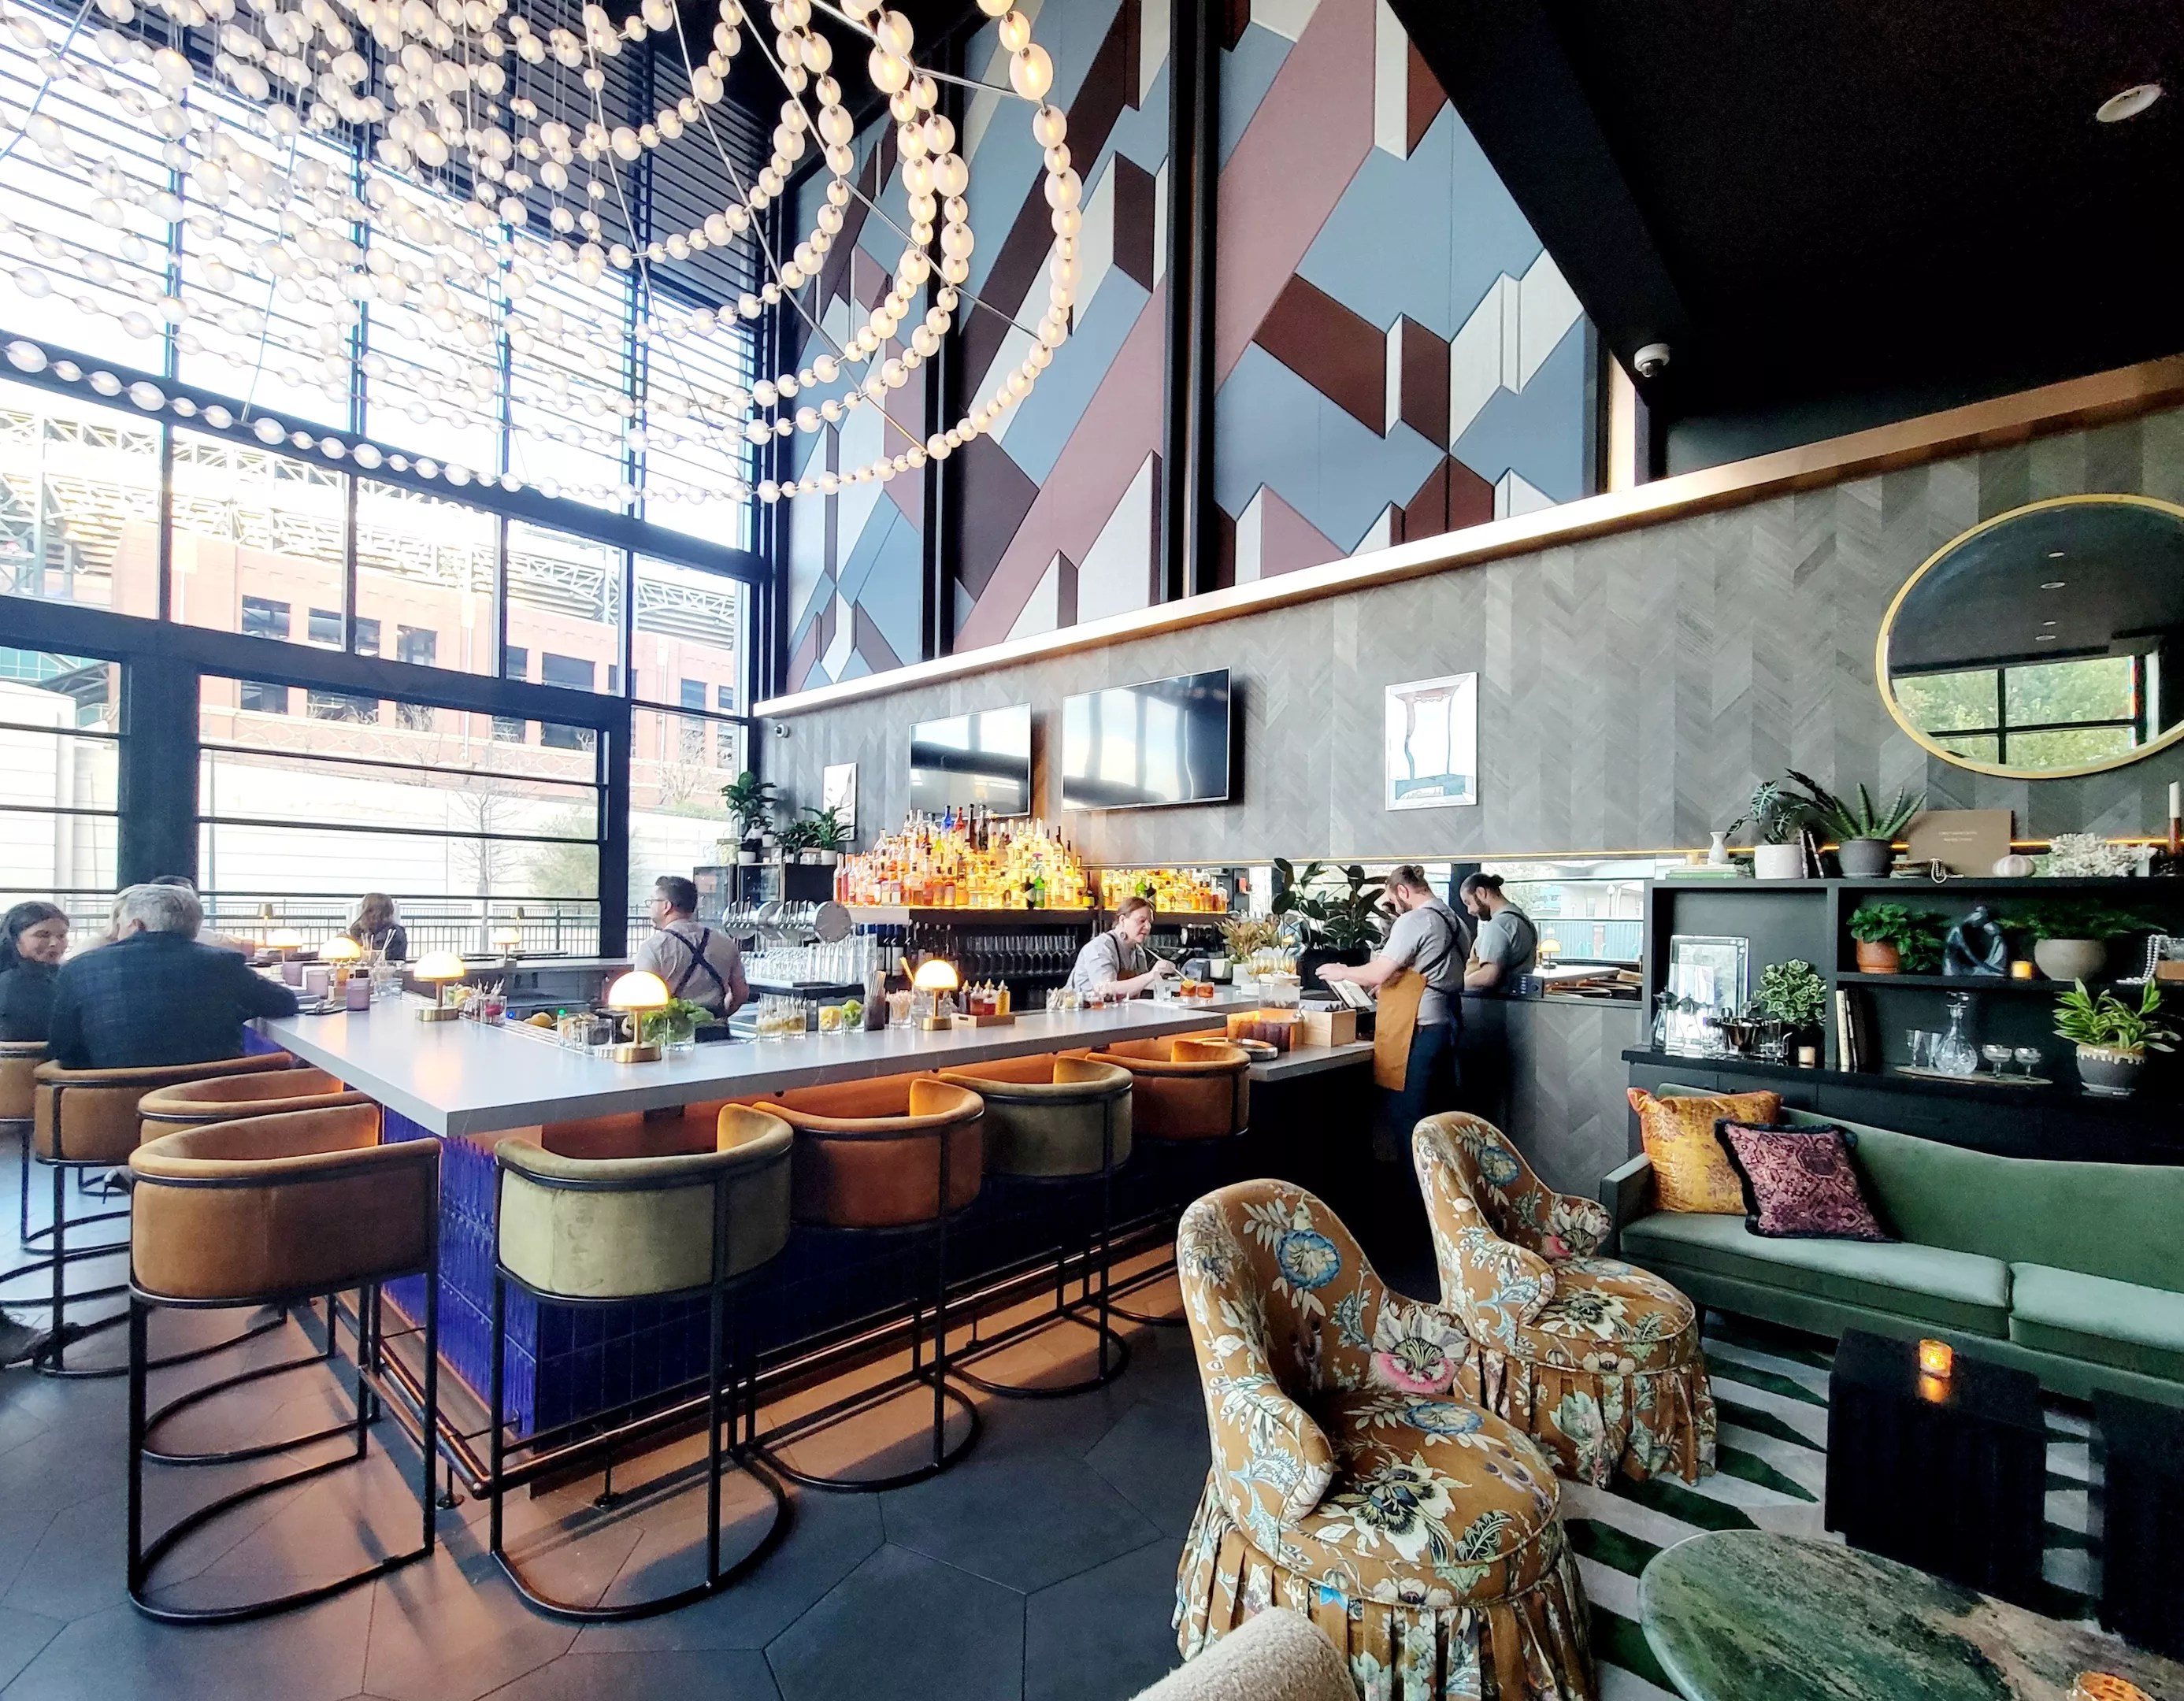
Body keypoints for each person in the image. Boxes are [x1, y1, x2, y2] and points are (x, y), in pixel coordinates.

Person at [1318, 865, 1470, 1272]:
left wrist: (1341, 971)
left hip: (1416, 1034)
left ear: (1402, 891)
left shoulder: (1416, 919)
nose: (1391, 907)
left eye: (1391, 899)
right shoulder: (1456, 920)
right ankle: (1444, 1226)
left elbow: (1380, 972)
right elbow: (1418, 971)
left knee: (1408, 1131)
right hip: (1446, 1031)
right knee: (1435, 1130)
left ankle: (1412, 1234)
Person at [45, 884, 298, 1070]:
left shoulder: (78, 968)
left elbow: (64, 1049)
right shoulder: (222, 962)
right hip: (206, 1102)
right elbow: (285, 1002)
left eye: (121, 923)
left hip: (111, 1103)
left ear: (137, 925)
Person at [632, 875, 748, 1017]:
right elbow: (741, 993)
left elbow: (644, 1000)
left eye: (652, 901)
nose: (650, 907)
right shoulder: (725, 943)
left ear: (666, 906)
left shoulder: (652, 948)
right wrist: (720, 1014)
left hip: (670, 1032)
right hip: (715, 1030)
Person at [1069, 895, 1177, 1000]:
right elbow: (1106, 990)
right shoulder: (1100, 947)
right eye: (1142, 921)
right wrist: (1151, 975)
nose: (1148, 927)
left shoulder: (1138, 952)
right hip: (1082, 1013)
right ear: (1122, 920)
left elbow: (1142, 987)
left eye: (1150, 922)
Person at [0, 900, 69, 1042]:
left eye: (61, 936)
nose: (54, 943)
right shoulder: (13, 983)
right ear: (15, 939)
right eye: (43, 935)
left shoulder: (61, 974)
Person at [1461, 873, 1538, 990]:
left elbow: (1488, 976)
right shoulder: (1524, 921)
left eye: (1468, 903)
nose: (1470, 911)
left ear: (1481, 892)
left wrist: (1457, 985)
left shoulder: (1498, 925)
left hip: (1491, 1004)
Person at [348, 892, 409, 962]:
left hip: (388, 970)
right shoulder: (359, 929)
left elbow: (384, 958)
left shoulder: (394, 933)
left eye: (365, 909)